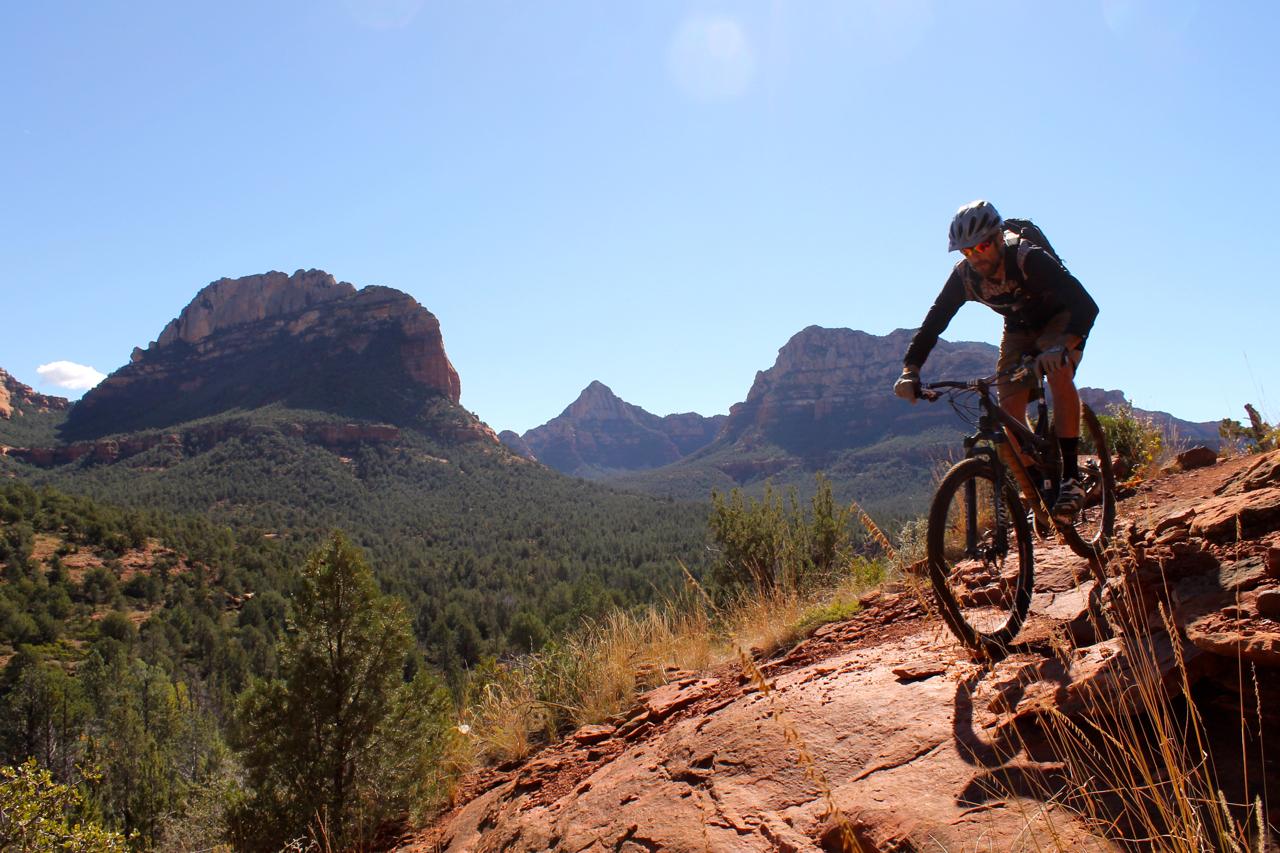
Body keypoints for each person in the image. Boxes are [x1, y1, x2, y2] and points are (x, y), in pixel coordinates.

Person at [893, 200, 1099, 523]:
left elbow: (1086, 305)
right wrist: (911, 369)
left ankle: (1072, 478)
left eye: (983, 246)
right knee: (1008, 411)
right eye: (967, 251)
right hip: (1018, 328)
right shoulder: (965, 277)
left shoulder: (1027, 258)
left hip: (1060, 318)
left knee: (1058, 373)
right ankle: (1040, 491)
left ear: (998, 238)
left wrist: (1062, 346)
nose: (976, 256)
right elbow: (935, 321)